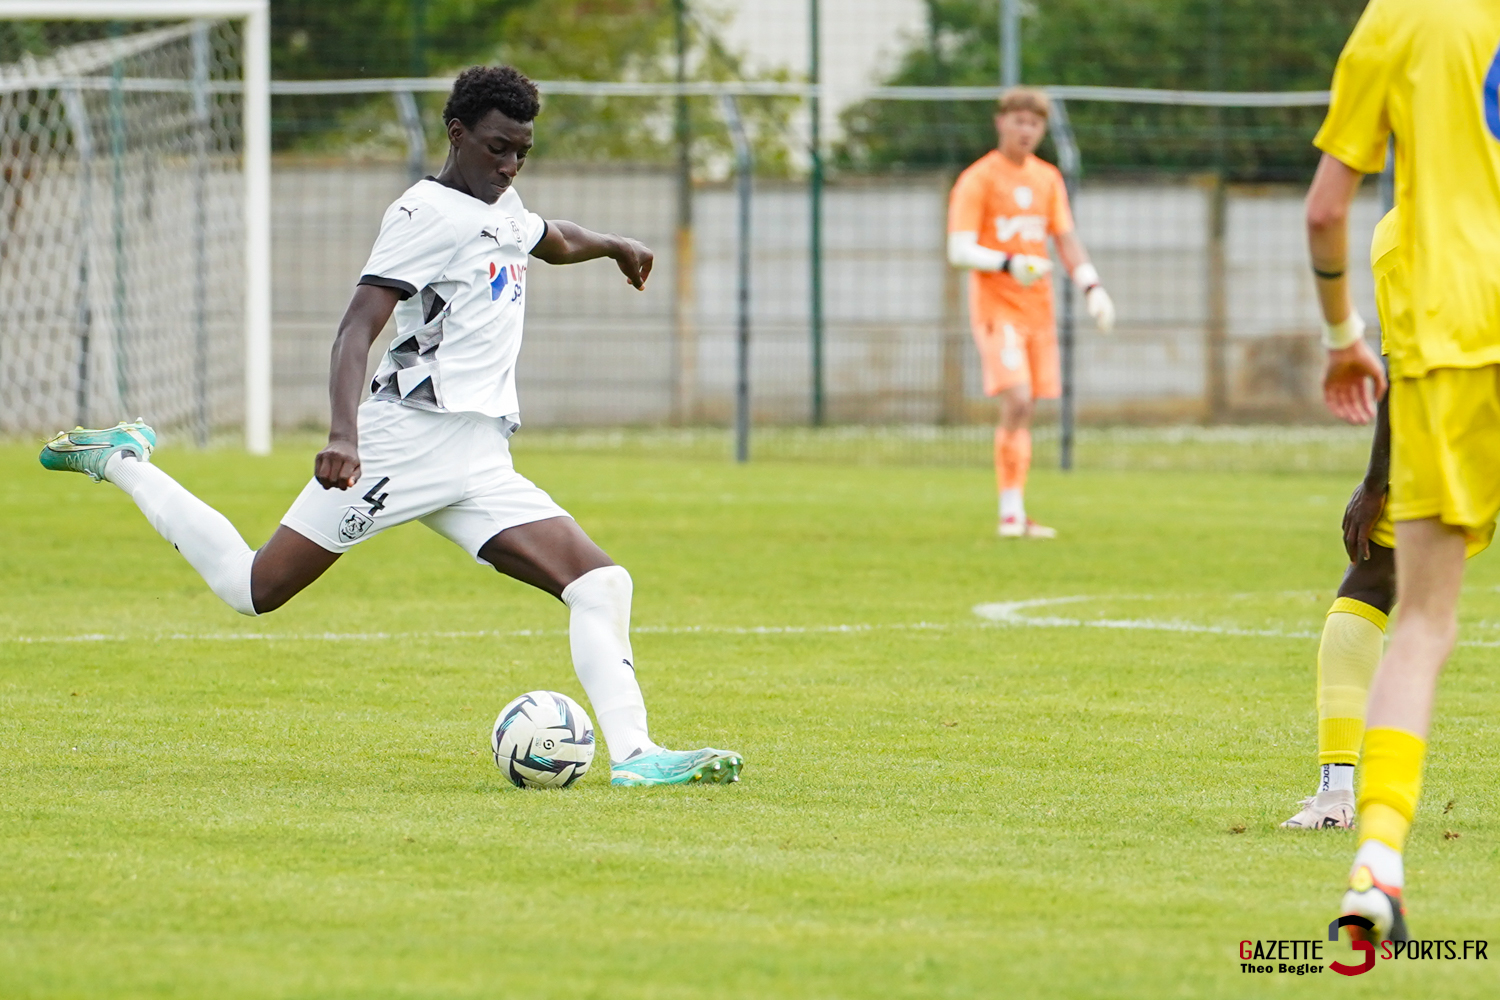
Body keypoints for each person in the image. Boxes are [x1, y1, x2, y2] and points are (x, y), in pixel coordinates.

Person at [38, 65, 743, 789]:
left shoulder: (501, 203)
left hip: (478, 454)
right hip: (402, 442)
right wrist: (345, 435)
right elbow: (355, 329)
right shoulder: (425, 213)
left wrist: (613, 244)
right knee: (251, 588)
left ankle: (636, 756)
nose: (509, 165)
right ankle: (123, 459)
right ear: (457, 132)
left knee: (600, 584)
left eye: (523, 152)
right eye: (499, 147)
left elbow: (547, 237)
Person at [1309, 0, 1500, 941]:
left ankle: (1376, 858)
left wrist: (1343, 340)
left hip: (1456, 340)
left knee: (1417, 617)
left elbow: (1322, 207)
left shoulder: (1397, 21)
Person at [946, 87, 1115, 539]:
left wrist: (1092, 287)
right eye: (1018, 121)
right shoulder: (977, 179)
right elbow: (958, 249)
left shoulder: (1048, 179)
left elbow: (1065, 238)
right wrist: (1007, 264)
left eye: (1034, 123)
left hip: (1037, 311)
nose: (1026, 130)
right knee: (1017, 398)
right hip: (996, 308)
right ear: (1000, 122)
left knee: (1026, 408)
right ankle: (1009, 514)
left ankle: (1016, 513)